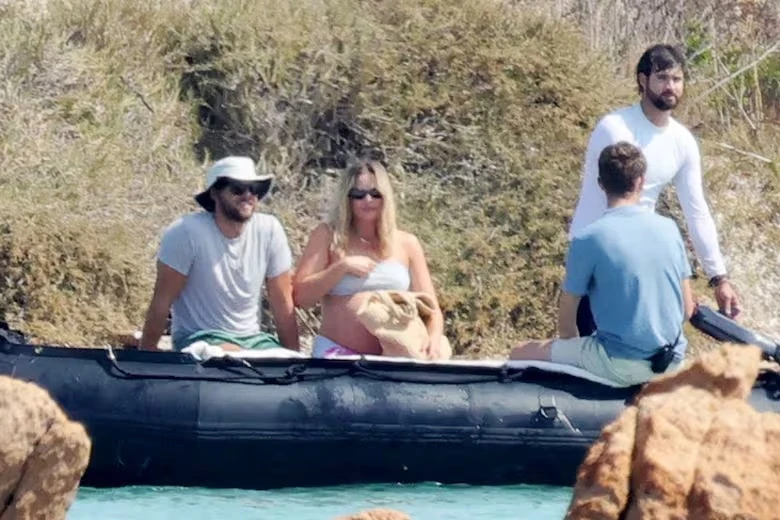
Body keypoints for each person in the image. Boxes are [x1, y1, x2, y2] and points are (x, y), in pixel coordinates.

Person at [570, 43, 740, 335]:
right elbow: (615, 205)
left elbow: (697, 211)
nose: (670, 86)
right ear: (642, 80)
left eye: (677, 79)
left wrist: (719, 278)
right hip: (597, 253)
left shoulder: (682, 141)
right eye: (662, 78)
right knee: (592, 350)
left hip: (638, 258)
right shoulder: (615, 128)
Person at [510, 142, 695, 387]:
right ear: (640, 181)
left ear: (601, 184)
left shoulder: (587, 238)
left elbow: (567, 320)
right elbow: (687, 310)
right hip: (671, 363)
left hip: (617, 364)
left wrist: (573, 353)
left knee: (519, 352)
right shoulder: (669, 229)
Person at [139, 156, 299, 352]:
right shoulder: (186, 232)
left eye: (254, 189)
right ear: (215, 193)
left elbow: (282, 303)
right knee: (230, 355)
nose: (247, 195)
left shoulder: (270, 230)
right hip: (200, 339)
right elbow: (162, 301)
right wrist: (146, 356)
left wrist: (295, 360)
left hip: (253, 341)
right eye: (238, 189)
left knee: (278, 358)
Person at [293, 159, 445, 358]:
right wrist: (340, 268)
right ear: (346, 198)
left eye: (375, 193)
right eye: (358, 194)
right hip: (338, 354)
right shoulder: (327, 236)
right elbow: (300, 297)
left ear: (385, 196)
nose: (367, 200)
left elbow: (431, 308)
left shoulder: (407, 243)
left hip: (395, 357)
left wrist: (434, 337)